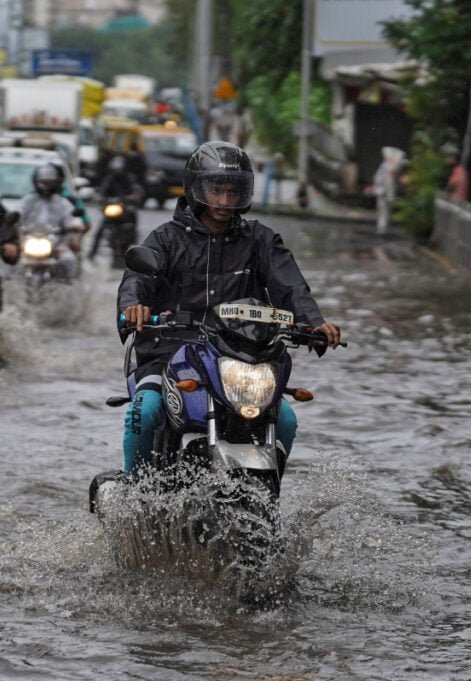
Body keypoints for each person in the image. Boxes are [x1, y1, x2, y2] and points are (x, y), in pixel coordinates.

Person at [118, 141, 341, 478]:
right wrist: (133, 306)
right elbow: (137, 278)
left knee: (285, 419)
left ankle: (268, 494)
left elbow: (290, 284)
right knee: (144, 410)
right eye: (216, 190)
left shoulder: (261, 240)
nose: (224, 200)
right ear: (196, 188)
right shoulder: (165, 239)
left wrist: (314, 323)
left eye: (232, 192)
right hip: (170, 352)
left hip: (238, 357)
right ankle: (132, 490)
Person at [20, 163, 84, 279]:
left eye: (48, 182)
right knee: (11, 261)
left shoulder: (62, 202)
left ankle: (67, 288)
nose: (45, 186)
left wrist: (75, 224)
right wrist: (12, 218)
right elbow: (18, 212)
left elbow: (71, 217)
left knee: (69, 260)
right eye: (42, 182)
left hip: (56, 244)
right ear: (35, 182)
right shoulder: (28, 201)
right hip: (28, 242)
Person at [88, 155, 143, 262]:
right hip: (112, 208)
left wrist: (133, 196)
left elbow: (136, 190)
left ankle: (134, 242)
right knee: (101, 227)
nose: (117, 171)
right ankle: (92, 252)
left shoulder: (129, 178)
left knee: (132, 217)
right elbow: (102, 191)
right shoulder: (109, 179)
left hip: (125, 208)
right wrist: (99, 197)